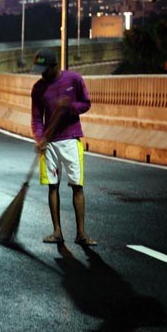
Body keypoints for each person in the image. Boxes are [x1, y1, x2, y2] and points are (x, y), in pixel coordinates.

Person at [31, 48, 97, 246]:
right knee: (53, 186)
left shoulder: (74, 79)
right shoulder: (38, 89)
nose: (42, 73)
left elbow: (86, 103)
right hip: (49, 144)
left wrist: (69, 107)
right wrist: (39, 137)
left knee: (77, 185)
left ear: (55, 65)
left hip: (71, 139)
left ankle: (81, 233)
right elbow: (36, 118)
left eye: (45, 69)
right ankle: (57, 231)